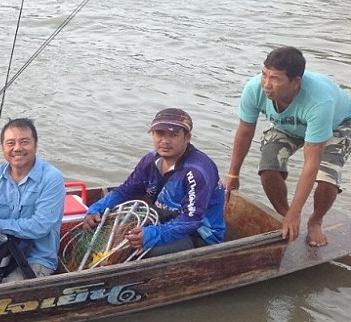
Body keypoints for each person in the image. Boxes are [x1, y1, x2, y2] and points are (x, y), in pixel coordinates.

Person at [226, 46, 351, 247]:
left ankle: (315, 221)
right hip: (290, 124)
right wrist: (233, 175)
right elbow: (245, 131)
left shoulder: (319, 101)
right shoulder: (254, 89)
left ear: (295, 82)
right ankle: (284, 217)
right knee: (268, 167)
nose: (267, 84)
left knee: (327, 178)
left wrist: (297, 210)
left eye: (275, 79)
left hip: (336, 123)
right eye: (264, 75)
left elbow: (311, 162)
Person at [82, 108, 226, 257]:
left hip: (199, 233)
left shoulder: (197, 171)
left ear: (187, 137)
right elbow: (126, 191)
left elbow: (192, 220)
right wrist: (97, 208)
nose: (165, 141)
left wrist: (153, 234)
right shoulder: (150, 161)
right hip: (164, 219)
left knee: (139, 252)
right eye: (160, 134)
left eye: (174, 135)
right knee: (113, 233)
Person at [0, 118, 66, 280]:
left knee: (2, 292)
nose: (17, 148)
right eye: (10, 143)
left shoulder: (52, 178)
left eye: (24, 142)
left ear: (35, 145)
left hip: (35, 257)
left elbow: (40, 226)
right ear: (3, 148)